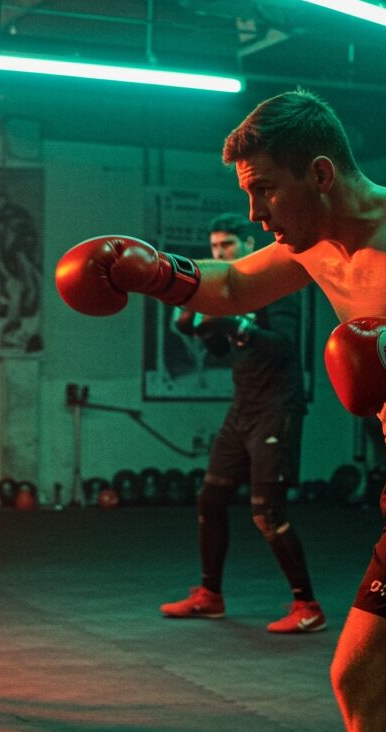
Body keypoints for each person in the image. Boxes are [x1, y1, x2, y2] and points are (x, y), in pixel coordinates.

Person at [54, 87, 386, 732]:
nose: (253, 211)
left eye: (265, 189)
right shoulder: (312, 246)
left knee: (361, 677)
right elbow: (235, 286)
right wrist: (156, 273)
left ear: (321, 174)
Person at [159, 212, 325, 634]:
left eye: (228, 246)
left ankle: (307, 606)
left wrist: (236, 325)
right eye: (215, 248)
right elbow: (223, 351)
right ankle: (210, 596)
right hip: (243, 407)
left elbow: (286, 347)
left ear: (249, 245)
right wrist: (199, 331)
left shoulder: (278, 288)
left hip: (278, 408)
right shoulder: (226, 290)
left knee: (267, 512)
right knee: (210, 499)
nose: (220, 254)